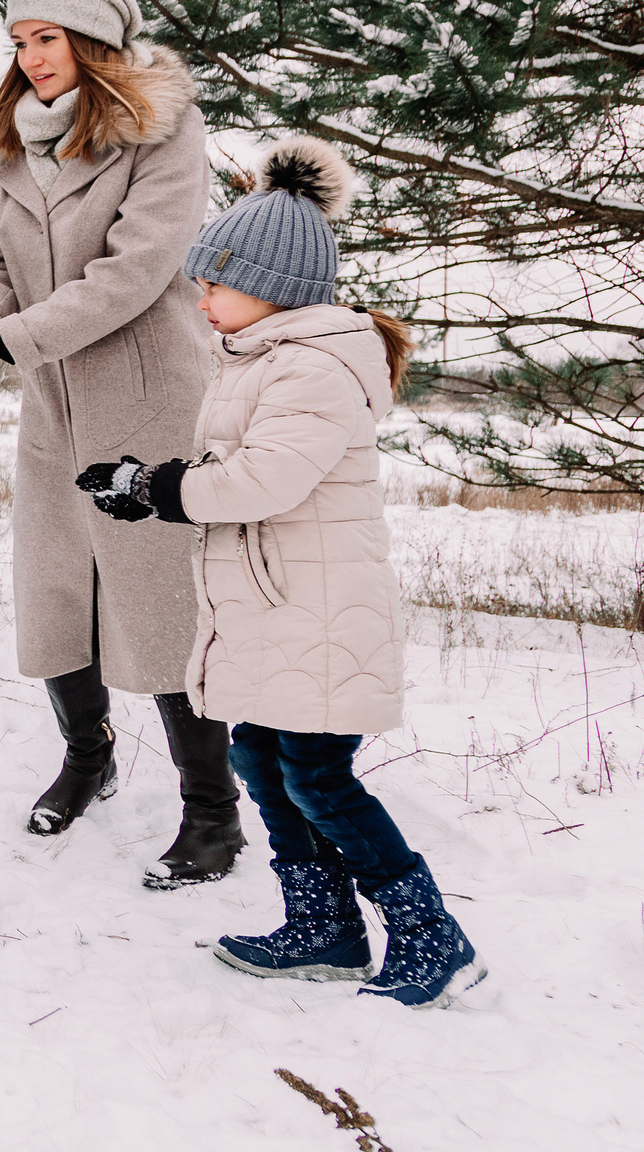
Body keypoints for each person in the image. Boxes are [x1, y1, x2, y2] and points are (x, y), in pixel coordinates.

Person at [77, 136, 485, 1007]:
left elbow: (264, 479)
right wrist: (151, 483)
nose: (201, 298)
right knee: (262, 760)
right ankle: (324, 927)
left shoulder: (315, 365)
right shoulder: (260, 359)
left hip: (317, 612)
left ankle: (431, 936)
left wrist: (157, 489)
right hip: (273, 609)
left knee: (318, 776)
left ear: (275, 286)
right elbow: (236, 467)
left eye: (215, 284)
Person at [0, 0, 244, 887]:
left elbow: (137, 270)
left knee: (160, 597)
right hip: (53, 404)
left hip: (148, 394)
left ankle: (212, 811)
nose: (30, 56)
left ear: (93, 39)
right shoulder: (14, 146)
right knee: (57, 590)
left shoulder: (162, 130)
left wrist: (11, 336)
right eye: (18, 42)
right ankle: (88, 759)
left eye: (46, 37)